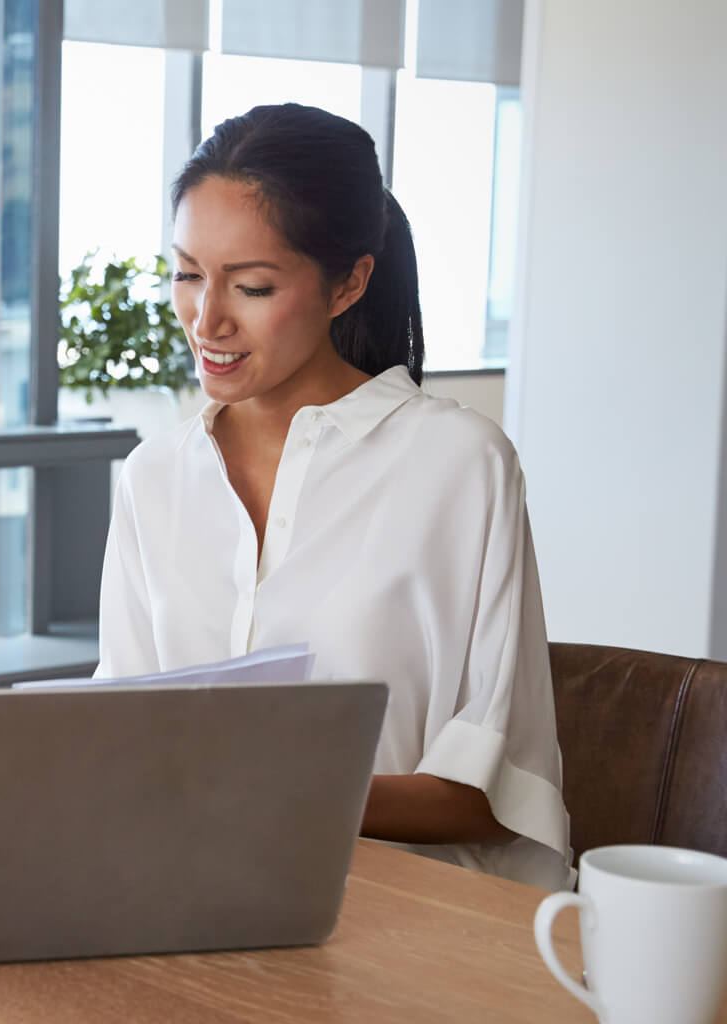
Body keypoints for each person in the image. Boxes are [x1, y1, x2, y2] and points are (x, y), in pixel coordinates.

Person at [96, 104, 571, 890]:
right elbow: (120, 733)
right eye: (186, 273)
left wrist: (273, 795)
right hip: (186, 895)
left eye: (250, 286)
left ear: (348, 282)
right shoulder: (155, 476)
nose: (204, 318)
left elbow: (498, 793)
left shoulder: (459, 465)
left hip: (409, 923)